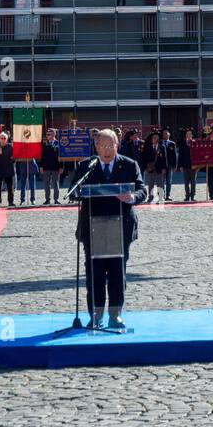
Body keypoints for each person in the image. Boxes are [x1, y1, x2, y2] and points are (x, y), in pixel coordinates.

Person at [69, 128, 147, 329]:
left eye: (109, 145)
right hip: (93, 228)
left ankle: (115, 315)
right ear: (96, 147)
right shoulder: (86, 166)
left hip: (120, 228)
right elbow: (73, 191)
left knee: (116, 274)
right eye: (102, 146)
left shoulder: (129, 165)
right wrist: (80, 193)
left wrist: (132, 197)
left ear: (117, 145)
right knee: (94, 275)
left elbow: (142, 190)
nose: (106, 150)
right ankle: (96, 315)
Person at [0, 131, 15, 207]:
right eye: (1, 138)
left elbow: (14, 159)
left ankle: (10, 202)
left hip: (8, 170)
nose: (3, 139)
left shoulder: (10, 147)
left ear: (7, 139)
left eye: (4, 138)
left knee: (10, 188)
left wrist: (13, 159)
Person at [154, 128, 178, 201]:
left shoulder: (172, 144)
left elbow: (175, 155)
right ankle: (162, 196)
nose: (166, 134)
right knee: (161, 181)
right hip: (162, 165)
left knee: (169, 181)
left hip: (170, 165)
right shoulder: (160, 143)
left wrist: (175, 165)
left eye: (167, 133)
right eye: (164, 133)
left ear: (169, 134)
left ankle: (168, 195)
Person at [41, 128, 61, 205]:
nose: (47, 136)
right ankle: (47, 199)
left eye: (49, 134)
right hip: (46, 167)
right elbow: (42, 156)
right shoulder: (44, 143)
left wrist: (61, 167)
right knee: (46, 184)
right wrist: (41, 166)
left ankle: (56, 199)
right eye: (47, 134)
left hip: (55, 166)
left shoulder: (58, 143)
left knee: (55, 183)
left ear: (54, 134)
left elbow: (60, 156)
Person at [141, 130, 160, 200]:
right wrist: (146, 167)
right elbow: (144, 157)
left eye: (157, 138)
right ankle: (150, 197)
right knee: (150, 184)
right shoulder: (147, 147)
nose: (155, 139)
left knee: (160, 184)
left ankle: (160, 197)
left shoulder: (161, 146)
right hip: (150, 168)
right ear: (151, 139)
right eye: (154, 138)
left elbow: (164, 158)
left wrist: (164, 168)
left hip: (159, 168)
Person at [178, 128, 196, 201]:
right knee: (186, 182)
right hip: (185, 166)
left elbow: (198, 155)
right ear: (185, 135)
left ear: (192, 135)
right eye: (187, 134)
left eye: (190, 134)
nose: (189, 135)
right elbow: (180, 155)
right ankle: (187, 196)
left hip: (193, 166)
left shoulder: (195, 143)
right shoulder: (182, 143)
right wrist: (180, 166)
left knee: (193, 182)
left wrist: (198, 165)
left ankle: (193, 196)